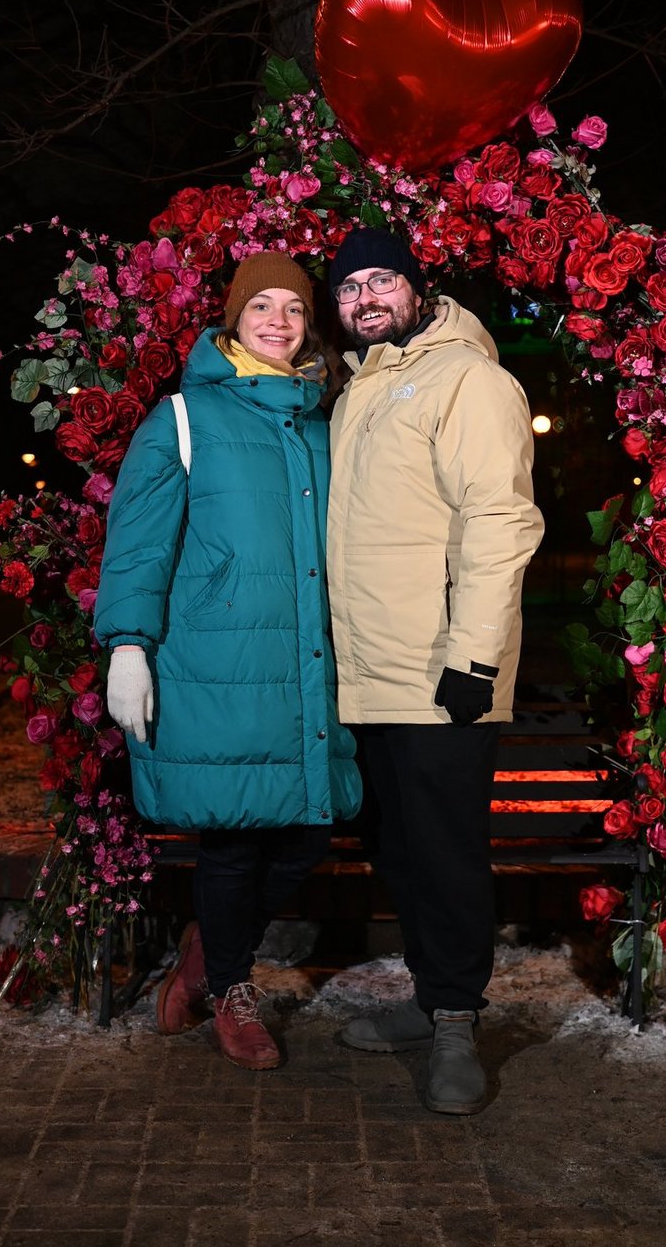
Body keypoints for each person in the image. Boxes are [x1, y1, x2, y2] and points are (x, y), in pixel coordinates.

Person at [94, 251, 361, 1071]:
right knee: (236, 837)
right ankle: (232, 990)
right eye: (261, 307)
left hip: (309, 662)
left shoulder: (326, 418)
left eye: (291, 308)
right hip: (218, 664)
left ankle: (206, 950)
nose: (277, 320)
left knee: (310, 827)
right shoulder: (183, 417)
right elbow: (139, 544)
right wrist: (128, 646)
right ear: (232, 320)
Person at [324, 226, 544, 1115]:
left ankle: (457, 1020)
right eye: (349, 288)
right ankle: (427, 1000)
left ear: (418, 289)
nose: (367, 297)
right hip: (370, 669)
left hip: (440, 671)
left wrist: (474, 657)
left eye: (384, 280)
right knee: (401, 850)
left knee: (447, 853)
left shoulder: (470, 380)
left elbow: (501, 520)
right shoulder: (359, 391)